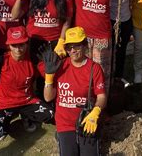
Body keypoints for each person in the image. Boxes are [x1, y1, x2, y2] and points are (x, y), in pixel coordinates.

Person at [0, 26, 54, 141]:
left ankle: (25, 116)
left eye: (21, 45)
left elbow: (50, 78)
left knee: (50, 114)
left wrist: (50, 69)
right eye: (14, 45)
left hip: (27, 101)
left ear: (27, 44)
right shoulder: (1, 61)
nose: (18, 49)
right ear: (8, 46)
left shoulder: (33, 60)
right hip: (4, 103)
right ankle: (8, 119)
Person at [43, 27, 107, 156]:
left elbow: (101, 96)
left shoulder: (95, 69)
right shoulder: (60, 66)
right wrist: (49, 77)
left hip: (86, 121)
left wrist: (95, 112)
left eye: (76, 46)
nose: (72, 50)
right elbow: (48, 98)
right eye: (69, 47)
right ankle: (63, 138)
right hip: (64, 123)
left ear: (84, 45)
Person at [12, 0, 73, 64]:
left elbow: (67, 22)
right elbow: (14, 16)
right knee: (36, 74)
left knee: (54, 72)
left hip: (55, 42)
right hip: (34, 41)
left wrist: (61, 41)